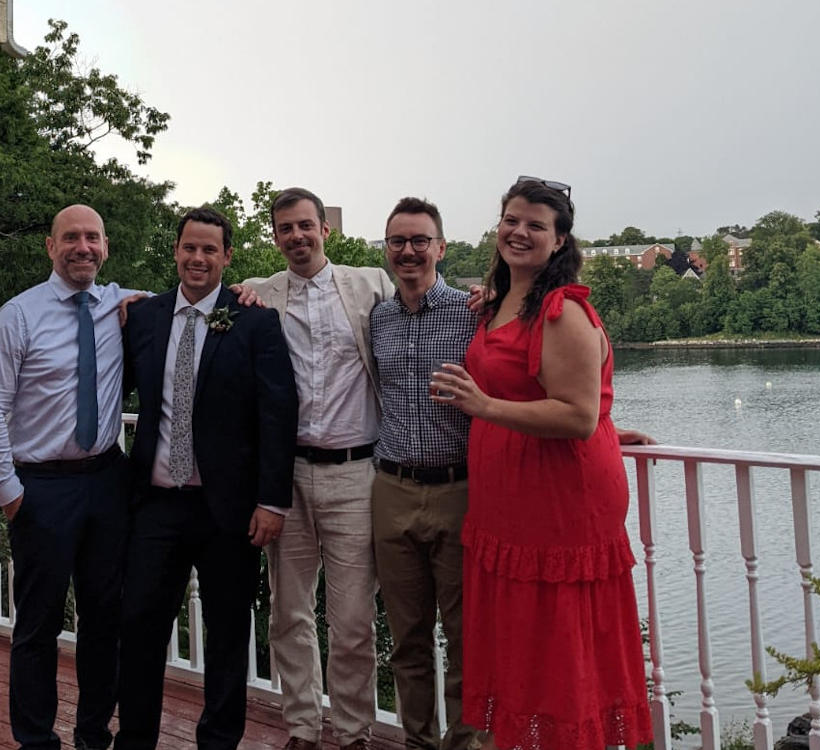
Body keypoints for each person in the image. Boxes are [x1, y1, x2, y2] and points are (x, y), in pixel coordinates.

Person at [431, 177, 652, 750]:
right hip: (510, 501)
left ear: (559, 242)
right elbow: (569, 402)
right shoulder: (503, 298)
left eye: (535, 225)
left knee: (559, 651)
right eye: (511, 220)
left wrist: (482, 406)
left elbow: (576, 416)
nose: (519, 232)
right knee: (522, 646)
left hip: (557, 501)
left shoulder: (560, 310)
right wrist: (602, 422)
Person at [116, 207, 298, 750]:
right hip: (155, 504)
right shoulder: (143, 318)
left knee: (226, 635)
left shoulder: (255, 320)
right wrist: (121, 300)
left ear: (227, 257)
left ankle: (218, 741)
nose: (198, 258)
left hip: (230, 508)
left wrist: (272, 500)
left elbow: (277, 411)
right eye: (189, 248)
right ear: (176, 251)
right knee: (141, 625)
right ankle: (135, 739)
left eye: (210, 250)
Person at [0, 204, 134, 750]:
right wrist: (11, 494)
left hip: (108, 481)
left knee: (103, 619)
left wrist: (250, 290)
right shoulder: (16, 316)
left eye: (92, 238)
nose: (82, 247)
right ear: (50, 246)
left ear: (106, 247)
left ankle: (94, 734)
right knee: (38, 625)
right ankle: (35, 739)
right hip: (41, 488)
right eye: (71, 238)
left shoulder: (123, 305)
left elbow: (197, 304)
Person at [243, 187, 395, 750]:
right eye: (286, 229)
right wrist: (128, 298)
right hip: (287, 477)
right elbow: (192, 297)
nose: (297, 237)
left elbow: (432, 300)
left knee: (353, 620)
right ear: (275, 236)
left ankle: (354, 733)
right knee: (288, 613)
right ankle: (303, 729)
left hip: (357, 475)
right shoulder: (259, 295)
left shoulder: (369, 285)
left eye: (306, 226)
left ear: (324, 230)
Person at [369, 197, 478, 750]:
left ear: (440, 246)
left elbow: (521, 379)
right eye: (398, 241)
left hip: (460, 490)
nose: (408, 251)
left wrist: (603, 426)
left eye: (419, 241)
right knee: (406, 638)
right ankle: (417, 741)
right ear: (386, 249)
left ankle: (466, 743)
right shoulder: (378, 317)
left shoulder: (474, 312)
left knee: (466, 639)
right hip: (390, 489)